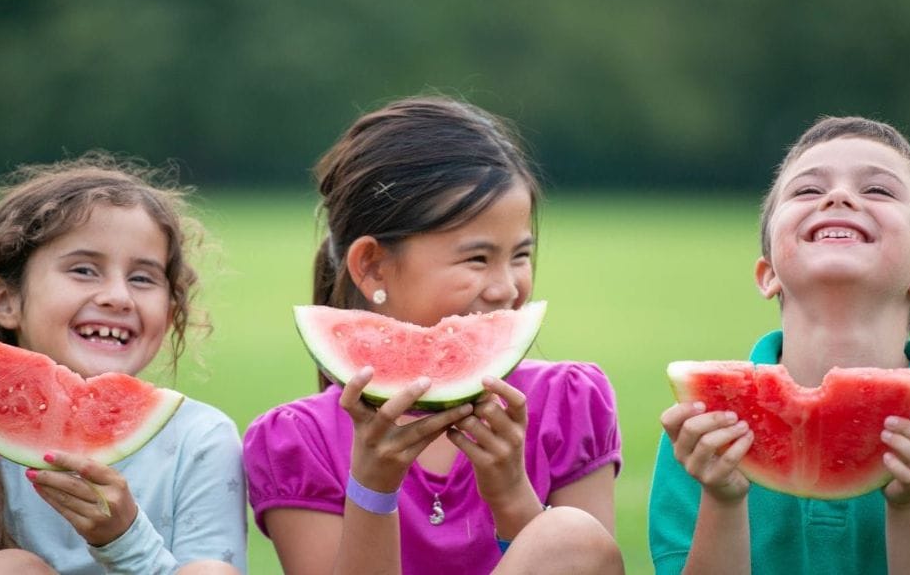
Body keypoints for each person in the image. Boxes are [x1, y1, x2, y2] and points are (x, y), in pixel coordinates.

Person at [243, 96, 624, 574]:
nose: (507, 287)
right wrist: (372, 489)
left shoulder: (568, 404)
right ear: (373, 266)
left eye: (521, 255)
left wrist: (511, 495)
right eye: (477, 259)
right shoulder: (298, 441)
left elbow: (578, 563)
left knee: (571, 536)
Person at [649, 116, 910, 574]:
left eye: (878, 190)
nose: (838, 197)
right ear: (768, 272)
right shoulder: (702, 430)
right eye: (807, 191)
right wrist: (722, 498)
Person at [0, 153, 246, 574]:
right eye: (85, 270)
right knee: (10, 567)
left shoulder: (200, 439)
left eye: (143, 278)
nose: (118, 296)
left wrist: (124, 539)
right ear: (4, 300)